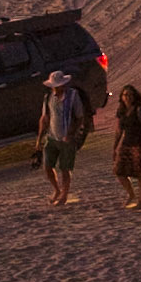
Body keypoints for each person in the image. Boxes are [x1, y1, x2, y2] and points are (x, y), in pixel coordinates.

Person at [34, 70, 88, 206]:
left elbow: (80, 117)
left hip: (67, 137)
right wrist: (39, 138)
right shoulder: (48, 98)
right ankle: (57, 190)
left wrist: (71, 134)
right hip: (52, 136)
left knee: (65, 168)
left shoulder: (73, 96)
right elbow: (45, 118)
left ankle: (64, 194)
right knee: (48, 166)